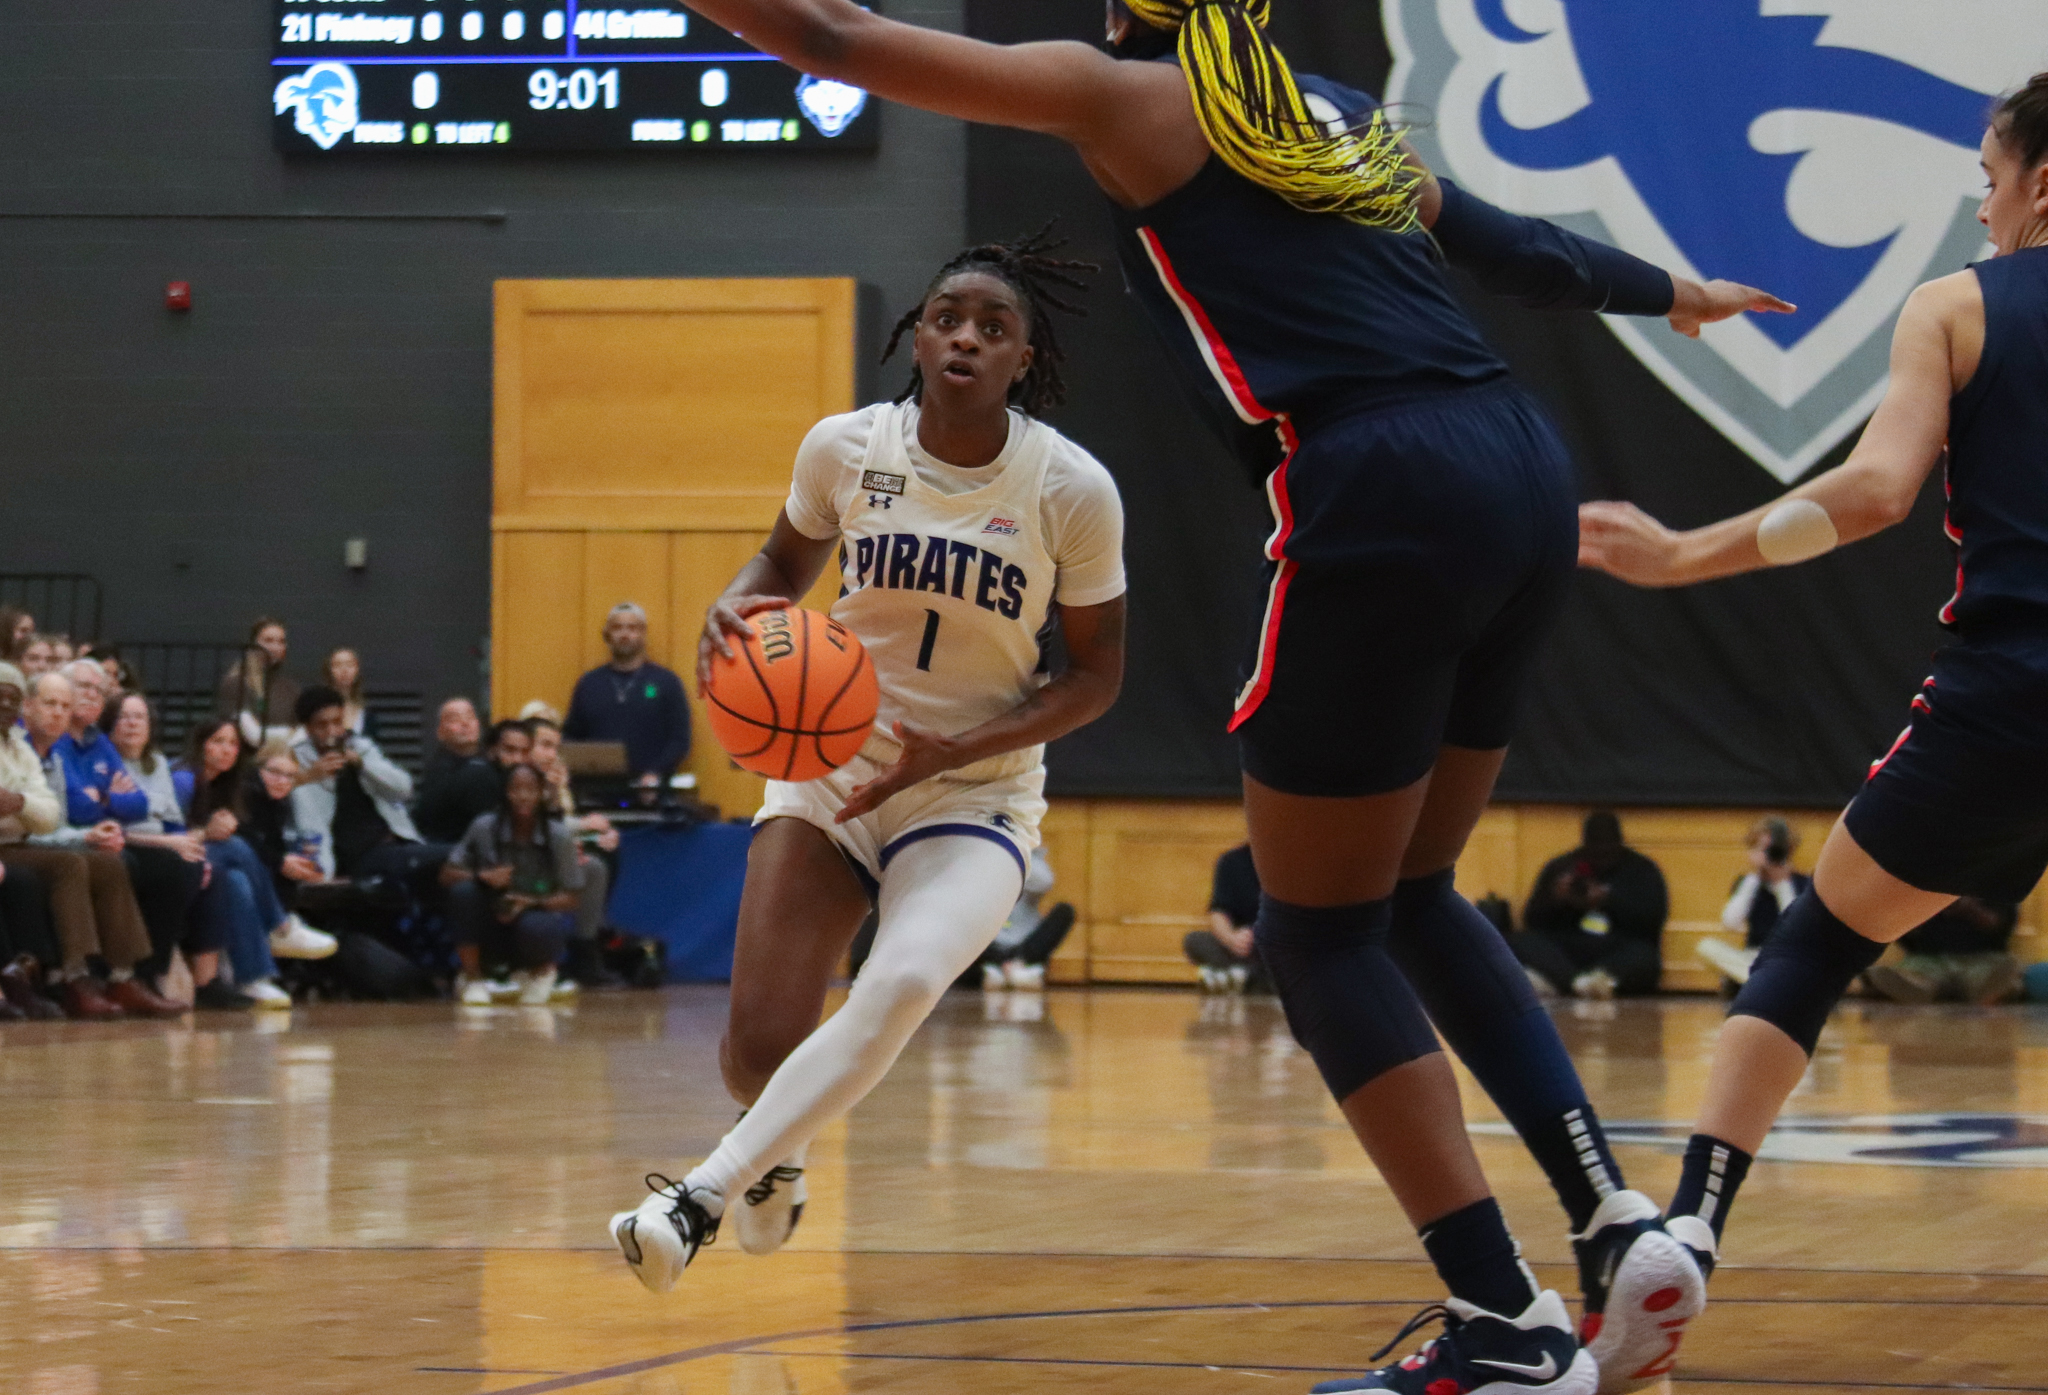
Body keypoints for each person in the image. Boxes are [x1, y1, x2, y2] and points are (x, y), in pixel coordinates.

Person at [652, 7, 1790, 1387]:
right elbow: (1506, 242)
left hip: (1380, 478)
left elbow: (832, 37)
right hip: (1518, 461)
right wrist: (1670, 291)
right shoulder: (1326, 109)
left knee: (1313, 931)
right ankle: (1615, 1221)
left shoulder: (1133, 97)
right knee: (1413, 888)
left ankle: (1506, 1325)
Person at [1577, 73, 2048, 1380]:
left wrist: (1680, 556)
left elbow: (1874, 491)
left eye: (1989, 178)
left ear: (2041, 186)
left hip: (2013, 691)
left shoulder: (1959, 305)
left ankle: (1691, 1231)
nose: (1981, 202)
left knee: (1822, 937)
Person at [609, 232, 1127, 1296]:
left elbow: (1095, 678)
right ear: (917, 335)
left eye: (994, 327)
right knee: (755, 1055)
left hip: (971, 788)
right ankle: (778, 1152)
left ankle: (694, 1200)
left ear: (1022, 358)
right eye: (949, 319)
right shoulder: (845, 449)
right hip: (834, 766)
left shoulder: (1069, 489)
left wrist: (965, 745)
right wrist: (734, 600)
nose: (967, 339)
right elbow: (780, 566)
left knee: (896, 980)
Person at [8, 672, 181, 1018]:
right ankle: (74, 976)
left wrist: (83, 831)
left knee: (109, 862)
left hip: (31, 838)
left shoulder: (51, 757)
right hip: (14, 844)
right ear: (27, 707)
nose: (58, 713)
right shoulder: (19, 748)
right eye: (49, 704)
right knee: (72, 863)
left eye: (64, 706)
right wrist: (79, 832)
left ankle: (124, 975)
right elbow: (39, 820)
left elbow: (48, 819)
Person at [58, 664, 204, 1003]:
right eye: (83, 687)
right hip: (82, 838)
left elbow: (138, 804)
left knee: (178, 867)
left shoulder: (97, 742)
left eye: (98, 689)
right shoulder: (64, 742)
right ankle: (99, 975)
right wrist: (111, 800)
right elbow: (78, 808)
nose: (92, 694)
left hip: (109, 836)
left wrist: (104, 798)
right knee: (129, 864)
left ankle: (146, 974)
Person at [179, 717, 338, 995]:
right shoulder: (184, 779)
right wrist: (207, 833)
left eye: (233, 744)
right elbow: (168, 835)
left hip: (206, 863)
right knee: (237, 848)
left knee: (236, 880)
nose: (227, 750)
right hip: (175, 860)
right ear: (200, 745)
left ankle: (252, 978)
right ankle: (280, 926)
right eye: (218, 741)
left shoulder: (227, 786)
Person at [108, 692, 238, 1009]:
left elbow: (172, 822)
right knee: (172, 868)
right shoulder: (107, 763)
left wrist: (187, 845)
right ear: (109, 725)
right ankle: (148, 969)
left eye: (140, 717)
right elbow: (110, 825)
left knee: (209, 870)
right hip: (124, 844)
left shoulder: (159, 765)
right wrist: (173, 843)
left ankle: (201, 979)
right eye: (124, 716)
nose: (132, 723)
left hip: (160, 844)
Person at [440, 762, 583, 1006]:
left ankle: (540, 973)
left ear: (542, 793)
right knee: (464, 893)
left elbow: (572, 898)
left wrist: (531, 902)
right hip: (489, 917)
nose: (523, 797)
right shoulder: (483, 826)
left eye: (531, 790)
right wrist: (482, 876)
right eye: (516, 789)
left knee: (539, 927)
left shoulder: (559, 835)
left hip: (535, 918)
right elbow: (446, 875)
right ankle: (472, 976)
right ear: (506, 793)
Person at [287, 686, 444, 894]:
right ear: (307, 729)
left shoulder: (361, 747)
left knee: (451, 865)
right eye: (322, 726)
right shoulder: (296, 762)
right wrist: (310, 776)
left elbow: (404, 789)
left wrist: (363, 765)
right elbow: (296, 813)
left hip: (396, 841)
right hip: (359, 856)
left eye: (337, 722)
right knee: (449, 858)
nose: (332, 732)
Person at [1517, 813, 1669, 1000]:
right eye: (1595, 853)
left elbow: (1652, 922)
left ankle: (1582, 982)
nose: (1601, 860)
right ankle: (1578, 983)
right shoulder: (1561, 866)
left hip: (1616, 947)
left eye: (1608, 853)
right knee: (1520, 941)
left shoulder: (1642, 869)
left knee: (1645, 957)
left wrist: (1608, 901)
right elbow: (1532, 921)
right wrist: (1557, 900)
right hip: (1568, 948)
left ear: (1619, 844)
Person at [528, 715, 623, 986]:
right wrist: (585, 830)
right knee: (591, 862)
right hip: (526, 856)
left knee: (596, 866)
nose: (551, 754)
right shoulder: (520, 778)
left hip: (555, 851)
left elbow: (559, 823)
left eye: (555, 747)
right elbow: (539, 824)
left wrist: (596, 835)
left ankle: (586, 950)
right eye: (544, 745)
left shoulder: (555, 776)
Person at [562, 602, 691, 792]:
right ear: (607, 634)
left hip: (650, 791)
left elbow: (680, 740)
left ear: (643, 633)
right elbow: (571, 736)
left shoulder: (666, 682)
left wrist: (655, 773)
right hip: (596, 791)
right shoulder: (589, 684)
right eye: (617, 628)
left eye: (632, 628)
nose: (624, 634)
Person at [0, 663, 68, 1019]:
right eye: (0, 697)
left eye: (13, 700)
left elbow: (48, 815)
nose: (6, 706)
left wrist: (20, 802)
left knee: (24, 882)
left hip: (12, 843)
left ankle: (27, 980)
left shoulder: (20, 748)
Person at [1700, 819, 1811, 990]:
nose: (1766, 855)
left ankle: (1753, 984)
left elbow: (1798, 930)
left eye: (1771, 849)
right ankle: (1763, 983)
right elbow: (1730, 923)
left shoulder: (1802, 883)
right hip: (1753, 958)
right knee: (1706, 946)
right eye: (1759, 848)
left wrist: (1781, 884)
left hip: (1787, 959)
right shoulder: (1747, 883)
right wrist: (1753, 880)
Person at [1863, 897, 2025, 1005]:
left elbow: (2002, 928)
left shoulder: (1998, 879)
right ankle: (1927, 988)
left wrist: (1973, 911)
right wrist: (1930, 910)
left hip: (1982, 959)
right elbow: (1905, 935)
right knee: (1894, 972)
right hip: (1928, 960)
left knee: (2007, 965)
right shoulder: (1921, 880)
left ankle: (1973, 990)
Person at [972, 847, 1076, 991]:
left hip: (1024, 947)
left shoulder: (1028, 853)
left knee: (1065, 911)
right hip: (989, 945)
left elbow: (1045, 882)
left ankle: (1013, 968)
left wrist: (1011, 855)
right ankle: (1004, 970)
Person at [1184, 841, 1270, 993]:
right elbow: (1218, 912)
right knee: (1194, 940)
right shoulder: (1231, 861)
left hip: (1276, 946)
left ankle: (1239, 978)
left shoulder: (1293, 861)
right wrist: (1231, 939)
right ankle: (1246, 978)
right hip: (1242, 948)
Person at [414, 697, 503, 844]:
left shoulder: (489, 762)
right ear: (440, 732)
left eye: (470, 717)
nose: (465, 723)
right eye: (455, 719)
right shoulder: (439, 771)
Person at [217, 615, 301, 747]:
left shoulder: (290, 687)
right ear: (253, 644)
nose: (275, 647)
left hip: (286, 758)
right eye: (268, 640)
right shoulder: (236, 683)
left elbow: (302, 731)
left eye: (281, 641)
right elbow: (252, 735)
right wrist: (288, 734)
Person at [322, 647, 379, 742]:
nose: (344, 670)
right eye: (337, 665)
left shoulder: (367, 713)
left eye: (350, 665)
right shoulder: (318, 710)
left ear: (357, 670)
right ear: (329, 671)